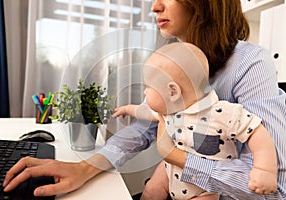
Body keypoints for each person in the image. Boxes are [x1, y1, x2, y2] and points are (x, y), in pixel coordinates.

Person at [3, 0, 286, 199]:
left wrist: (175, 156)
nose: (154, 6)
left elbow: (274, 188)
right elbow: (144, 126)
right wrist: (85, 168)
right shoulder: (171, 56)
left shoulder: (250, 63)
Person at [112, 42, 278, 199]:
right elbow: (146, 112)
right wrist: (128, 109)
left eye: (148, 87)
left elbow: (257, 132)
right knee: (151, 190)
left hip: (205, 189)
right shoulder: (170, 111)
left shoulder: (222, 112)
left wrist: (265, 169)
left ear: (172, 92)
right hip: (171, 171)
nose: (145, 93)